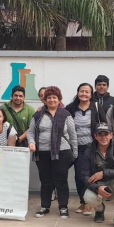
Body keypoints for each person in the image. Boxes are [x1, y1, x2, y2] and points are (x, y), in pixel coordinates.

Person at [28, 86, 78, 219]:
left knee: (61, 180)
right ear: (45, 99)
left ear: (59, 99)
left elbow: (73, 135)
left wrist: (75, 152)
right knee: (45, 180)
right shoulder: (38, 115)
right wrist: (31, 142)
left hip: (62, 152)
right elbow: (31, 132)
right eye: (49, 97)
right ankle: (45, 206)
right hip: (42, 152)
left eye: (54, 97)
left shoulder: (66, 115)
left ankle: (63, 207)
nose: (51, 100)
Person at [81, 123, 114, 227]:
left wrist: (103, 173)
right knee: (88, 196)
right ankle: (99, 211)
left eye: (106, 134)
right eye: (100, 134)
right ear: (95, 136)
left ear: (111, 135)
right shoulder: (89, 151)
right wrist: (96, 188)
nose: (103, 137)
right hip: (98, 186)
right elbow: (84, 175)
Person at [65, 83, 106, 216]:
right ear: (77, 93)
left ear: (91, 94)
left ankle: (90, 203)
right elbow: (58, 116)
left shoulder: (96, 107)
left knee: (91, 176)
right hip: (77, 148)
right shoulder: (71, 108)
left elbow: (104, 125)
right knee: (79, 176)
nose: (84, 94)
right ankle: (84, 202)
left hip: (93, 148)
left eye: (87, 92)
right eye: (81, 91)